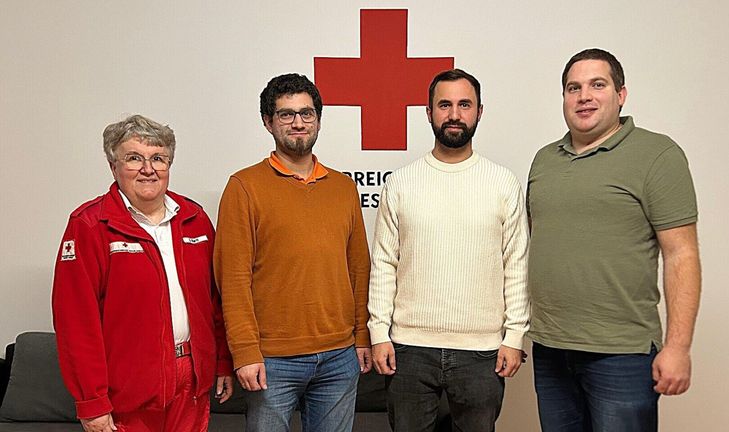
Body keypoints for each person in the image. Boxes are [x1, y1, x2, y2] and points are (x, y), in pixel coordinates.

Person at [526, 48, 702, 431]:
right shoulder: (544, 161)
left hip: (622, 355)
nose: (584, 96)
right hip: (551, 349)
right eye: (573, 87)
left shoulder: (657, 155)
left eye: (597, 85)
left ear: (621, 95)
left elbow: (681, 254)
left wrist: (678, 348)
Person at [368, 69, 530, 432]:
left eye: (464, 104)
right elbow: (383, 264)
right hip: (408, 348)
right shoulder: (401, 183)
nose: (454, 114)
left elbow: (516, 263)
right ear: (429, 113)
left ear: (479, 112)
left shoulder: (503, 182)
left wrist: (514, 335)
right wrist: (379, 332)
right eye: (444, 104)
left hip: (483, 351)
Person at [52, 114, 233, 432]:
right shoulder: (90, 226)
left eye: (158, 159)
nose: (148, 169)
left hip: (191, 383)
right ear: (113, 166)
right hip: (128, 391)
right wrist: (91, 402)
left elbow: (215, 302)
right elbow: (75, 322)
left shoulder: (195, 219)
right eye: (134, 158)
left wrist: (220, 363)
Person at [214, 73, 372, 432]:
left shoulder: (344, 187)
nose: (298, 123)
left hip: (339, 357)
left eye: (307, 113)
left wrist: (361, 336)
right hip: (271, 361)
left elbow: (358, 268)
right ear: (268, 122)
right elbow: (233, 279)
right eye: (286, 114)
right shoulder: (244, 187)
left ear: (318, 119)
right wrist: (245, 352)